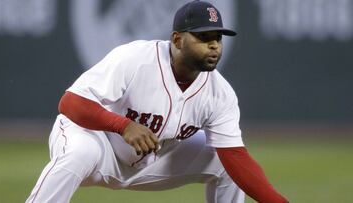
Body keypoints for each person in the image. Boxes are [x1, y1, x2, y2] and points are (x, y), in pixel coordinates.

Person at [26, 1, 288, 202]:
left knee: (222, 162)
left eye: (217, 38)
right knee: (79, 153)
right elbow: (70, 104)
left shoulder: (220, 93)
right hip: (97, 142)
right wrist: (124, 125)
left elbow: (235, 157)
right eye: (203, 37)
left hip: (152, 159)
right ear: (177, 39)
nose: (214, 46)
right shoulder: (136, 58)